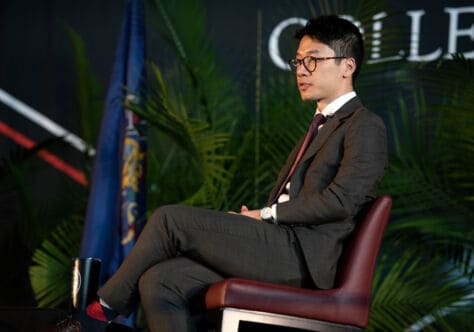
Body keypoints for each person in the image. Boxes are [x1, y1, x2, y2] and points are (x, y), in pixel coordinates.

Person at [85, 15, 388, 331]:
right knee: (161, 280)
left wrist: (266, 215)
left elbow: (341, 201)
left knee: (168, 220)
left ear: (347, 66)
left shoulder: (364, 125)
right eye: (297, 62)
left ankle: (100, 310)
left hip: (302, 259)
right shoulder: (317, 127)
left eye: (313, 61)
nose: (301, 71)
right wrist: (256, 220)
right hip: (276, 244)